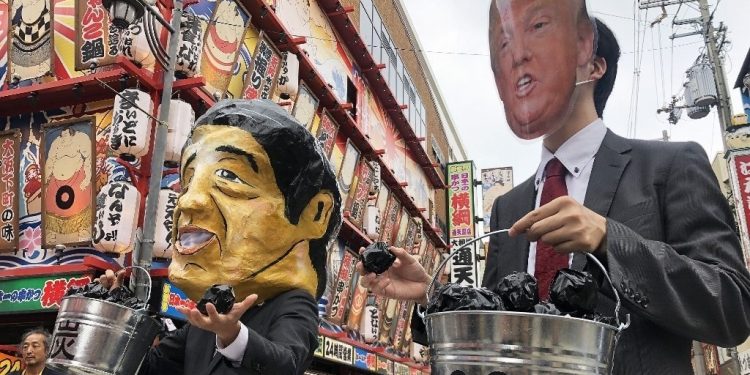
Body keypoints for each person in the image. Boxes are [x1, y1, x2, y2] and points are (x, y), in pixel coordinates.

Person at [357, 1, 750, 373]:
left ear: (593, 64)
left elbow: (732, 308)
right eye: (506, 48)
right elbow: (500, 333)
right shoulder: (509, 208)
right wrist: (435, 297)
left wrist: (610, 239)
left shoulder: (669, 166)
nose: (517, 58)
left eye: (541, 33)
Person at [102, 99, 342, 374]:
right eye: (188, 181)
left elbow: (285, 364)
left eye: (229, 176)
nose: (188, 201)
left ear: (315, 213)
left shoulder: (291, 302)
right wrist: (111, 315)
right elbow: (147, 368)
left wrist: (233, 336)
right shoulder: (208, 317)